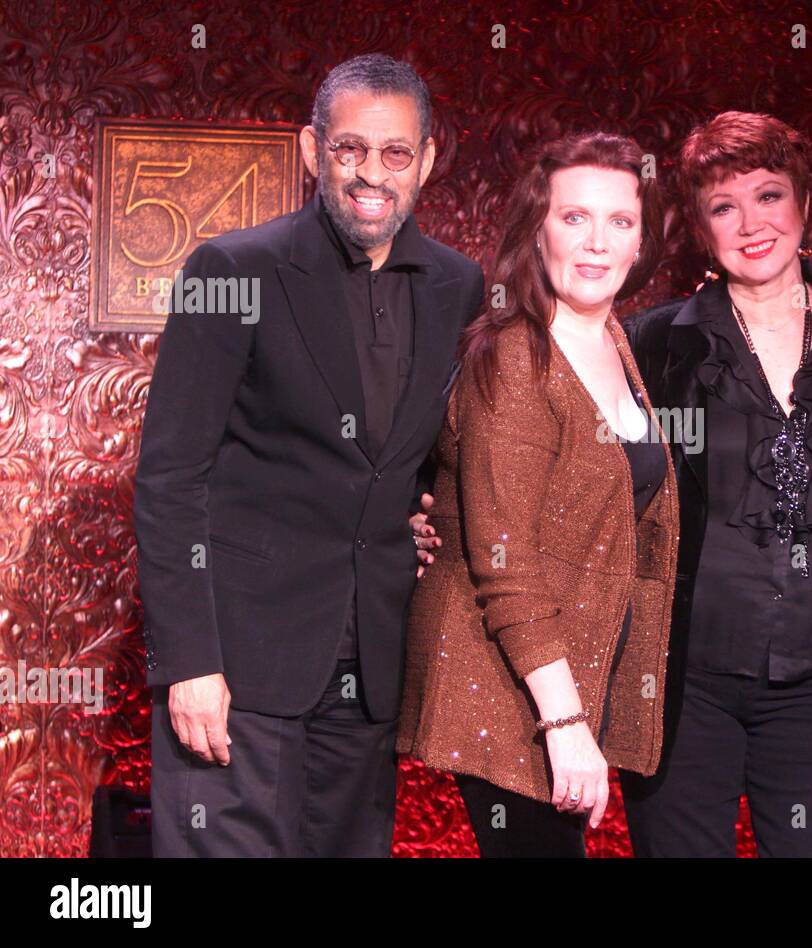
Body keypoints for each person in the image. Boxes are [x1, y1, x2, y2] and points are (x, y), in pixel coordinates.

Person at [135, 54, 483, 857]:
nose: (372, 174)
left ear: (426, 161)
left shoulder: (460, 288)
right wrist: (188, 662)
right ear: (310, 151)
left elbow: (431, 459)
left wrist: (426, 516)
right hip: (236, 667)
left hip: (371, 671)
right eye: (349, 149)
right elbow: (169, 479)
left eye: (396, 153)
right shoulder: (234, 270)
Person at [619, 111, 812, 856]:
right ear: (699, 227)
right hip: (684, 685)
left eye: (768, 195)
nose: (751, 223)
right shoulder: (656, 343)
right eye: (723, 206)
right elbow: (596, 491)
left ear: (805, 204)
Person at [398, 131, 678, 857]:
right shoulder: (518, 352)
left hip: (560, 677)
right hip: (509, 685)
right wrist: (565, 722)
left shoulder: (611, 338)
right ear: (537, 228)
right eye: (574, 217)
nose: (597, 242)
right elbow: (505, 557)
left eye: (620, 221)